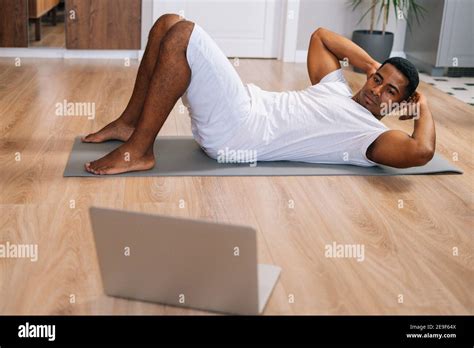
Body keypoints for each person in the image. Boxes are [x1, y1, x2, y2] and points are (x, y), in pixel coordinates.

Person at [82, 14, 436, 175]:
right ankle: (130, 125)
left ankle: (140, 151)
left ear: (399, 103)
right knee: (167, 23)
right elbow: (320, 36)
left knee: (183, 35)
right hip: (243, 105)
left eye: (390, 91)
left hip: (238, 132)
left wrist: (421, 105)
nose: (377, 91)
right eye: (377, 80)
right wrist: (376, 64)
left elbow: (421, 152)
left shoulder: (369, 135)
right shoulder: (337, 88)